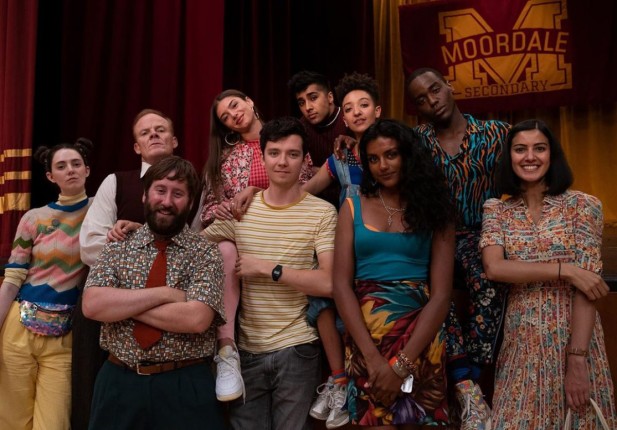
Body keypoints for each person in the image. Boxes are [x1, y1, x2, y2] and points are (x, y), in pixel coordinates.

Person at [480, 119, 616, 429]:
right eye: (520, 149)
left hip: (574, 336)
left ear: (552, 155)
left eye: (539, 148)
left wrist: (577, 359)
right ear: (509, 157)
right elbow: (495, 267)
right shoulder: (497, 210)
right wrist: (566, 271)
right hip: (522, 343)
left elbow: (587, 288)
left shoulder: (584, 206)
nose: (530, 157)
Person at [203, 116, 337, 430]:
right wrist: (140, 228)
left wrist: (268, 269)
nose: (282, 162)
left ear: (304, 160)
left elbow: (329, 283)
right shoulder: (241, 210)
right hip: (247, 352)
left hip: (298, 348)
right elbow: (189, 246)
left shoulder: (321, 213)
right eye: (274, 153)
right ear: (262, 157)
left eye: (292, 154)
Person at [82, 156, 225, 430]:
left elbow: (196, 319)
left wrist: (123, 304)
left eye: (178, 194)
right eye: (160, 190)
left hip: (185, 384)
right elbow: (93, 305)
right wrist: (167, 294)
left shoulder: (206, 253)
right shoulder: (117, 246)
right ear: (145, 195)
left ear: (190, 203)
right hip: (118, 382)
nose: (167, 201)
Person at [193, 89, 314, 402]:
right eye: (225, 117)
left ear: (249, 101)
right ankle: (227, 350)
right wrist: (220, 208)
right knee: (220, 249)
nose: (233, 115)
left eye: (234, 105)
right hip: (242, 234)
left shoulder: (286, 137)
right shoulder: (226, 158)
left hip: (288, 228)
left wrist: (254, 190)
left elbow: (306, 185)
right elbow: (208, 209)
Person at [406, 67, 510, 428]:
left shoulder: (496, 133)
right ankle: (466, 385)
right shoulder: (416, 142)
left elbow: (535, 156)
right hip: (437, 236)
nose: (432, 101)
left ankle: (472, 377)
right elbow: (376, 148)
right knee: (432, 290)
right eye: (422, 99)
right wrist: (347, 143)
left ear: (449, 86)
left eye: (435, 89)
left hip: (485, 234)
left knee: (489, 280)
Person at [332, 119, 454, 427]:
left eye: (391, 155)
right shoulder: (351, 207)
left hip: (421, 337)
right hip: (366, 339)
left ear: (408, 155)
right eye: (373, 159)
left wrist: (402, 365)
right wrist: (373, 359)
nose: (382, 166)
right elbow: (341, 286)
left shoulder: (436, 209)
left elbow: (441, 296)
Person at [74, 108, 178, 429]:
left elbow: (199, 244)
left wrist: (138, 241)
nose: (153, 135)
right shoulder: (116, 182)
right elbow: (90, 245)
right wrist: (144, 264)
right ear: (136, 147)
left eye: (160, 129)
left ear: (174, 141)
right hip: (110, 313)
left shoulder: (196, 184)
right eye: (145, 133)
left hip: (173, 317)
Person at [0, 138, 94, 430]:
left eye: (76, 164)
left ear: (87, 170)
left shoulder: (100, 212)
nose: (71, 170)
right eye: (62, 166)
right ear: (51, 177)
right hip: (18, 328)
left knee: (54, 423)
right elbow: (13, 276)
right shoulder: (34, 217)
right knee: (12, 420)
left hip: (64, 335)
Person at [303, 71, 382, 208]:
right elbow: (303, 193)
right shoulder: (341, 158)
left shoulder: (394, 150)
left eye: (364, 105)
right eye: (349, 109)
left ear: (377, 111)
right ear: (344, 120)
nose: (356, 112)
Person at [288, 70, 348, 205]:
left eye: (313, 98)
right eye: (301, 103)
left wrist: (320, 171)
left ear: (330, 97)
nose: (307, 107)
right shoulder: (300, 128)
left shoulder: (348, 119)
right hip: (315, 203)